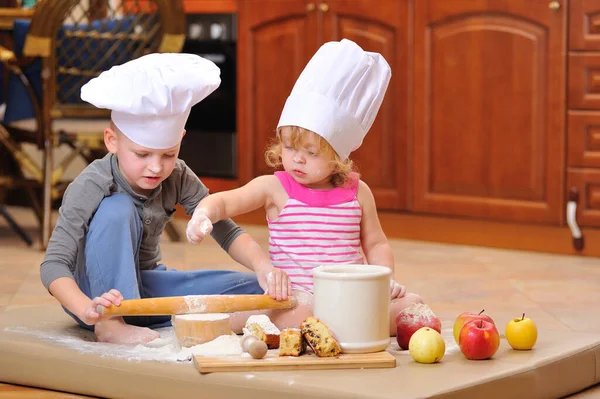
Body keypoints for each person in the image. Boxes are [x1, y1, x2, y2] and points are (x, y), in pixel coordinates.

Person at [40, 53, 291, 345]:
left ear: (180, 140)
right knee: (117, 208)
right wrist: (88, 310)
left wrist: (264, 268)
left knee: (252, 291)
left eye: (168, 154)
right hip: (94, 296)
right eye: (142, 154)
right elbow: (53, 265)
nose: (156, 167)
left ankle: (143, 315)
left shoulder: (179, 175)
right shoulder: (93, 183)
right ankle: (112, 325)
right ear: (112, 141)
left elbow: (227, 231)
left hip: (147, 287)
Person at [186, 39, 423, 335]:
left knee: (412, 306)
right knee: (294, 313)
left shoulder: (358, 193)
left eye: (312, 152)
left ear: (338, 156)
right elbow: (224, 203)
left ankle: (335, 327)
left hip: (350, 298)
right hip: (297, 299)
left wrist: (383, 280)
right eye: (289, 147)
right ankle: (333, 328)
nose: (297, 159)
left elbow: (376, 243)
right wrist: (202, 215)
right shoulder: (275, 188)